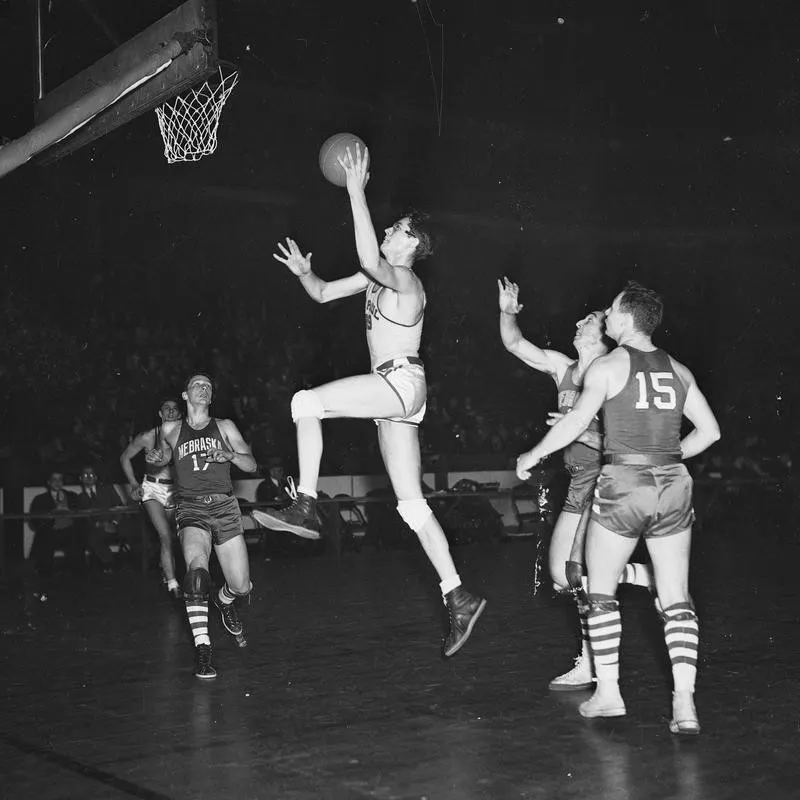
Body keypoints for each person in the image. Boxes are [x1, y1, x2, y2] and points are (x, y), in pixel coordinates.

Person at [253, 142, 486, 657]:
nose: (387, 231)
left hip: (400, 382)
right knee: (410, 505)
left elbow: (367, 256)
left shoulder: (405, 279)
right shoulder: (373, 276)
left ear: (413, 243)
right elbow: (320, 294)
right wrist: (303, 274)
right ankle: (458, 594)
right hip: (398, 392)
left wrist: (357, 191)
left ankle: (306, 506)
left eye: (396, 228)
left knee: (305, 403)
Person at [516, 281, 720, 735]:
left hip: (623, 483)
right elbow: (710, 433)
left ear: (626, 318)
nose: (606, 318)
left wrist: (531, 456)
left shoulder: (608, 366)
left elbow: (573, 422)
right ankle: (684, 703)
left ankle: (608, 693)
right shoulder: (680, 370)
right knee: (677, 598)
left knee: (601, 589)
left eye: (610, 312)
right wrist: (664, 455)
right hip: (672, 484)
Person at [498, 277, 654, 692]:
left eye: (589, 319)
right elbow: (515, 345)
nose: (581, 321)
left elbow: (622, 444)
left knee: (576, 572)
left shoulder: (612, 375)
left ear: (603, 336)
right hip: (576, 481)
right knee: (561, 576)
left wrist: (579, 433)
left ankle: (590, 664)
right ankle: (646, 577)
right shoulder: (563, 368)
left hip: (606, 480)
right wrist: (507, 313)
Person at [146, 374, 257, 679]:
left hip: (224, 506)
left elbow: (252, 464)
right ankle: (204, 649)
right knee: (196, 572)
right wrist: (157, 457)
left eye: (208, 386)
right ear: (185, 395)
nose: (204, 388)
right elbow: (164, 455)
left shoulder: (225, 426)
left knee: (241, 586)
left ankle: (224, 600)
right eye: (198, 384)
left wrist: (230, 454)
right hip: (191, 506)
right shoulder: (171, 429)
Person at [120, 398, 183, 598]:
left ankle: (166, 568)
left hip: (176, 490)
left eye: (174, 409)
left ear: (180, 414)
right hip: (152, 489)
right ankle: (173, 584)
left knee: (174, 537)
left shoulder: (185, 437)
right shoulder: (148, 436)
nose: (171, 412)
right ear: (160, 413)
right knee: (165, 536)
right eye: (166, 409)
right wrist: (134, 484)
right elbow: (124, 458)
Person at [29, 470, 81, 577]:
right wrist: (53, 513)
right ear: (48, 482)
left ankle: (79, 580)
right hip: (50, 532)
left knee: (77, 550)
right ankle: (45, 579)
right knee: (45, 548)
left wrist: (70, 512)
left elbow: (80, 517)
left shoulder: (72, 496)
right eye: (54, 479)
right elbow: (35, 522)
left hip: (70, 532)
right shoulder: (40, 499)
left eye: (60, 479)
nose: (57, 482)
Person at [74, 464, 124, 573]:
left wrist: (114, 523)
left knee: (134, 530)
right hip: (97, 529)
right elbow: (84, 519)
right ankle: (110, 564)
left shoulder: (108, 490)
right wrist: (101, 525)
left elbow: (120, 507)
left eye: (92, 474)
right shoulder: (79, 498)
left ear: (96, 478)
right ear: (81, 478)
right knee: (93, 537)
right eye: (85, 475)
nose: (89, 477)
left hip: (115, 525)